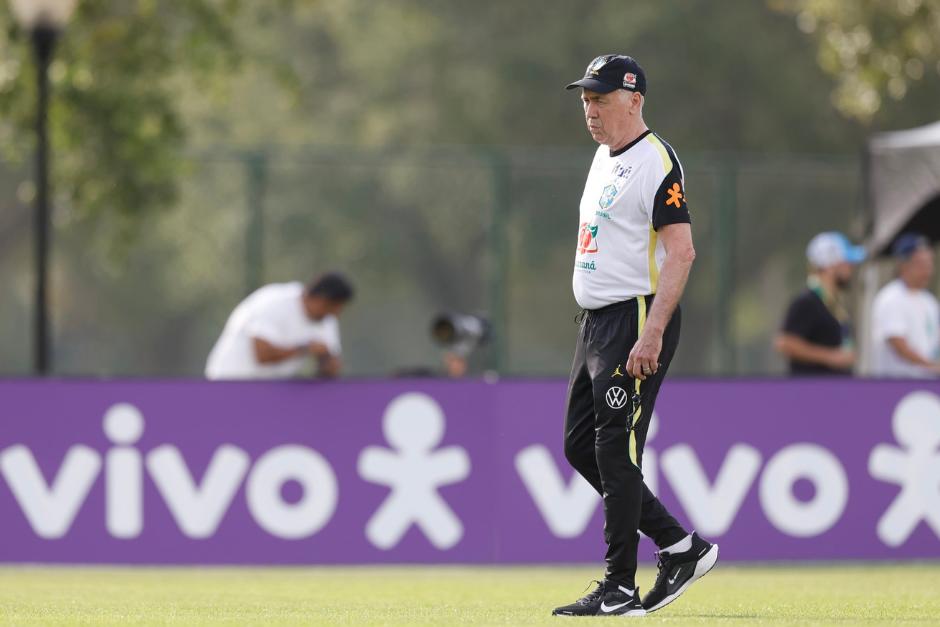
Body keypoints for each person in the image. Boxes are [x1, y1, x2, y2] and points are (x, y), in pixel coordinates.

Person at [552, 54, 717, 618]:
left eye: (599, 99)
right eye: (585, 99)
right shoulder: (603, 157)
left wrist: (652, 332)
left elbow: (682, 250)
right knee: (580, 446)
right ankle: (679, 546)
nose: (589, 109)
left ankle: (619, 585)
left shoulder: (656, 160)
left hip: (635, 319)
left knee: (615, 450)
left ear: (634, 100)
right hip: (596, 322)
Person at [205, 272, 354, 380]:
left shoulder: (326, 320)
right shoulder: (275, 302)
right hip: (230, 382)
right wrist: (305, 348)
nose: (334, 315)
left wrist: (326, 360)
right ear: (320, 299)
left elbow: (332, 370)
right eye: (331, 308)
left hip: (273, 393)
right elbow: (261, 354)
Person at [774, 232, 865, 375]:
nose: (850, 268)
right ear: (830, 266)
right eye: (846, 262)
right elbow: (785, 343)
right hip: (813, 392)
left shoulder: (833, 303)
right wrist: (830, 357)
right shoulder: (807, 302)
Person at [871, 233, 940, 378]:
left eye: (929, 264)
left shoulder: (929, 301)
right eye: (921, 264)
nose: (927, 271)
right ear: (904, 265)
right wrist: (931, 366)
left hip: (927, 384)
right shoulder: (891, 298)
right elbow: (899, 345)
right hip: (896, 384)